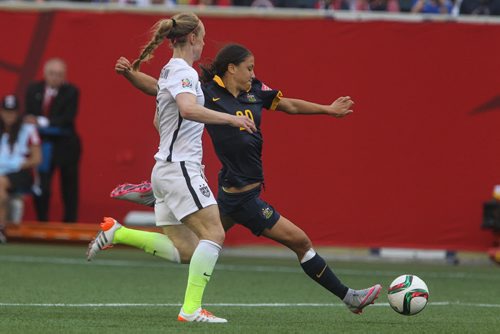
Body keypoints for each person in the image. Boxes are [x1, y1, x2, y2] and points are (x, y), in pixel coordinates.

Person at [88, 43, 382, 315]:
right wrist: (130, 75)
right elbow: (158, 87)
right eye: (249, 67)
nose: (253, 73)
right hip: (244, 199)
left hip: (228, 195)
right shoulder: (208, 94)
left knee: (188, 250)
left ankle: (120, 232)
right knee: (302, 242)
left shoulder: (256, 90)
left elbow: (289, 105)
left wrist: (328, 110)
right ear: (232, 68)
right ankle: (350, 298)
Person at [89, 14, 256, 323]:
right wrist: (234, 119)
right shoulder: (184, 73)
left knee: (187, 251)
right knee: (215, 232)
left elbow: (159, 113)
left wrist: (131, 76)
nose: (205, 42)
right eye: (203, 36)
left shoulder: (170, 70)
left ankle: (118, 233)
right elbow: (188, 109)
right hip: (181, 168)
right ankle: (191, 310)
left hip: (164, 169)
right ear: (192, 38)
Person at [25, 58, 81, 223]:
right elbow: (29, 115)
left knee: (69, 187)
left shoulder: (72, 91)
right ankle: (42, 222)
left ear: (64, 76)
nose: (55, 77)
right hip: (43, 145)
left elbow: (67, 118)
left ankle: (70, 225)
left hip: (66, 146)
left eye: (59, 74)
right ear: (45, 74)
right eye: (52, 74)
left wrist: (42, 122)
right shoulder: (33, 89)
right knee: (42, 186)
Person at [0, 95, 42, 243]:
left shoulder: (28, 130)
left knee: (1, 183)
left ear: (18, 113)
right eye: (6, 111)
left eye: (12, 112)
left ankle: (1, 227)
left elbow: (37, 158)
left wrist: (16, 164)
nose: (9, 115)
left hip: (21, 173)